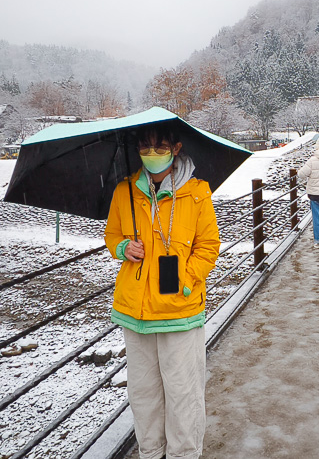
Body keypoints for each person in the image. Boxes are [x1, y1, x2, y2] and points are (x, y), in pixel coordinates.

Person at [104, 123, 220, 459]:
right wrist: (123, 247)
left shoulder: (197, 193)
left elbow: (209, 246)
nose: (152, 153)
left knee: (183, 394)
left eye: (160, 146)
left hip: (179, 312)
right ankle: (151, 454)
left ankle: (184, 455)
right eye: (145, 147)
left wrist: (185, 280)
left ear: (176, 148)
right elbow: (111, 235)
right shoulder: (124, 191)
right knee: (144, 396)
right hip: (135, 313)